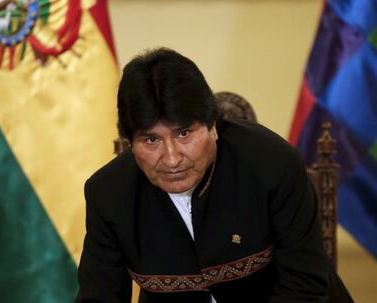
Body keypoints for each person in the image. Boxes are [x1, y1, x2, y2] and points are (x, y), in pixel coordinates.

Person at [76, 48, 353, 303]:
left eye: (184, 133)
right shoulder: (107, 194)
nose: (172, 159)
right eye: (150, 140)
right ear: (129, 143)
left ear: (213, 125)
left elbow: (304, 287)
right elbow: (100, 297)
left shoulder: (273, 164)